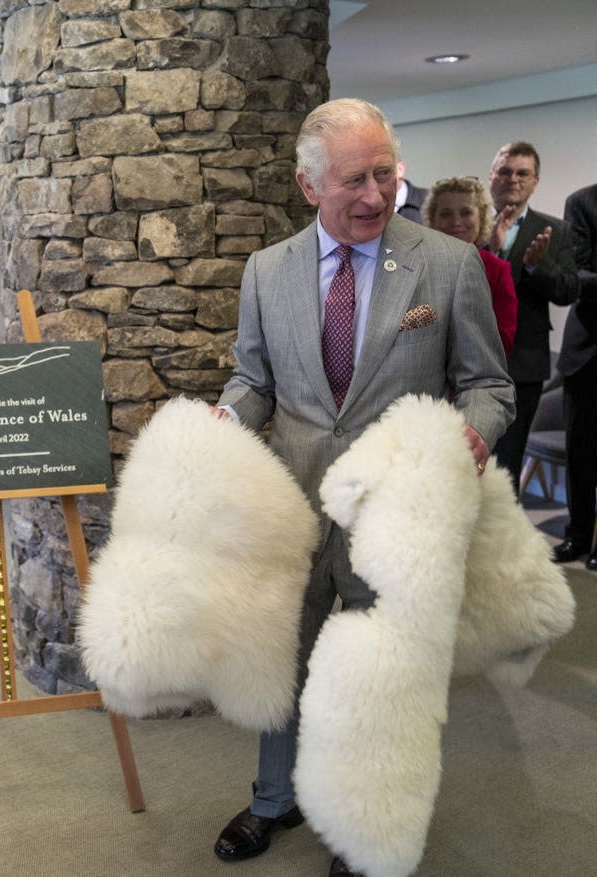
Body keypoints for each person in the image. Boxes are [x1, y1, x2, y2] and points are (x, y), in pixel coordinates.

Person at [212, 98, 514, 877]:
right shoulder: (266, 271)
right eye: (355, 179)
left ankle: (365, 821)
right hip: (296, 503)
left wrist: (474, 432)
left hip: (398, 511)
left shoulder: (447, 264)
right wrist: (223, 416)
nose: (376, 195)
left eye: (387, 174)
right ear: (311, 186)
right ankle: (273, 798)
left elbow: (490, 385)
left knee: (384, 675)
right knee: (285, 655)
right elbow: (255, 376)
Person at [488, 142, 579, 495]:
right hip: (461, 362)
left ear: (535, 181)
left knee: (506, 467)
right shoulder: (467, 221)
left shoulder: (555, 231)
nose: (513, 179)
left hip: (522, 364)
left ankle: (498, 546)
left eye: (522, 173)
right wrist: (490, 250)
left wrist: (537, 266)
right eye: (505, 171)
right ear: (491, 176)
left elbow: (569, 291)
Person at [552, 183, 597, 570]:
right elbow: (575, 276)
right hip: (588, 352)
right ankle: (578, 535)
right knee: (580, 454)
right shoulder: (582, 202)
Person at [422, 175, 517, 354]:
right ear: (432, 220)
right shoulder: (416, 267)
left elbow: (503, 340)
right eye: (446, 214)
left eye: (466, 212)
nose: (456, 222)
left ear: (481, 218)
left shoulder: (497, 271)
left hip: (474, 375)